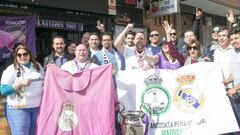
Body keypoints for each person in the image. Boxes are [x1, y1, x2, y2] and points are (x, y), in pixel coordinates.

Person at [0, 44, 44, 135]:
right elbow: (3, 90)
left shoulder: (38, 67)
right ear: (16, 56)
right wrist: (19, 84)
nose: (22, 56)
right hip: (18, 109)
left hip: (37, 108)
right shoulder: (11, 69)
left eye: (25, 54)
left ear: (29, 55)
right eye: (19, 55)